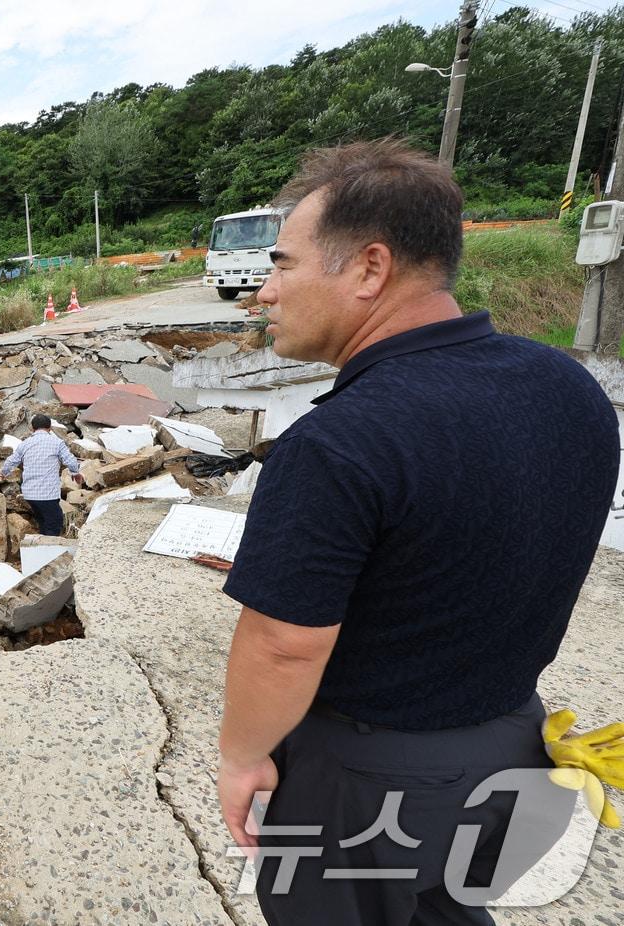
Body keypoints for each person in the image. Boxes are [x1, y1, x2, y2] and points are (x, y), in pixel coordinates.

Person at [216, 140, 619, 924]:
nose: (263, 292)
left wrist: (242, 755)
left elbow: (284, 643)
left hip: (369, 780)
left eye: (284, 264)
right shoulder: (567, 387)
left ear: (369, 268)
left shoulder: (341, 442)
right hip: (515, 750)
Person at [0, 414, 85, 535]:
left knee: (42, 521)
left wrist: (2, 473)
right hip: (48, 494)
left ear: (32, 428)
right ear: (50, 428)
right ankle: (49, 551)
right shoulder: (57, 443)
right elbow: (70, 460)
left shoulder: (25, 444)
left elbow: (12, 460)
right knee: (55, 523)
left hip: (30, 494)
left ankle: (41, 545)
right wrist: (75, 473)